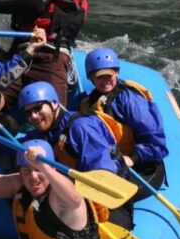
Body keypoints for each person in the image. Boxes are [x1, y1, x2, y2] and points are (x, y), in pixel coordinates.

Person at [14, 80, 132, 229]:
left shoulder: (81, 128)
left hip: (109, 204)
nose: (34, 116)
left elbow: (103, 175)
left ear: (55, 104)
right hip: (72, 199)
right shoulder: (41, 134)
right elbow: (15, 149)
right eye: (29, 112)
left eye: (38, 108)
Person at [79, 48, 168, 195]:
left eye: (109, 75)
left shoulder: (130, 101)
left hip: (143, 166)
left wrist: (132, 158)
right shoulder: (88, 103)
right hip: (109, 164)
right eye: (100, 77)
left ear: (117, 73)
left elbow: (156, 143)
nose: (106, 81)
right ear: (91, 78)